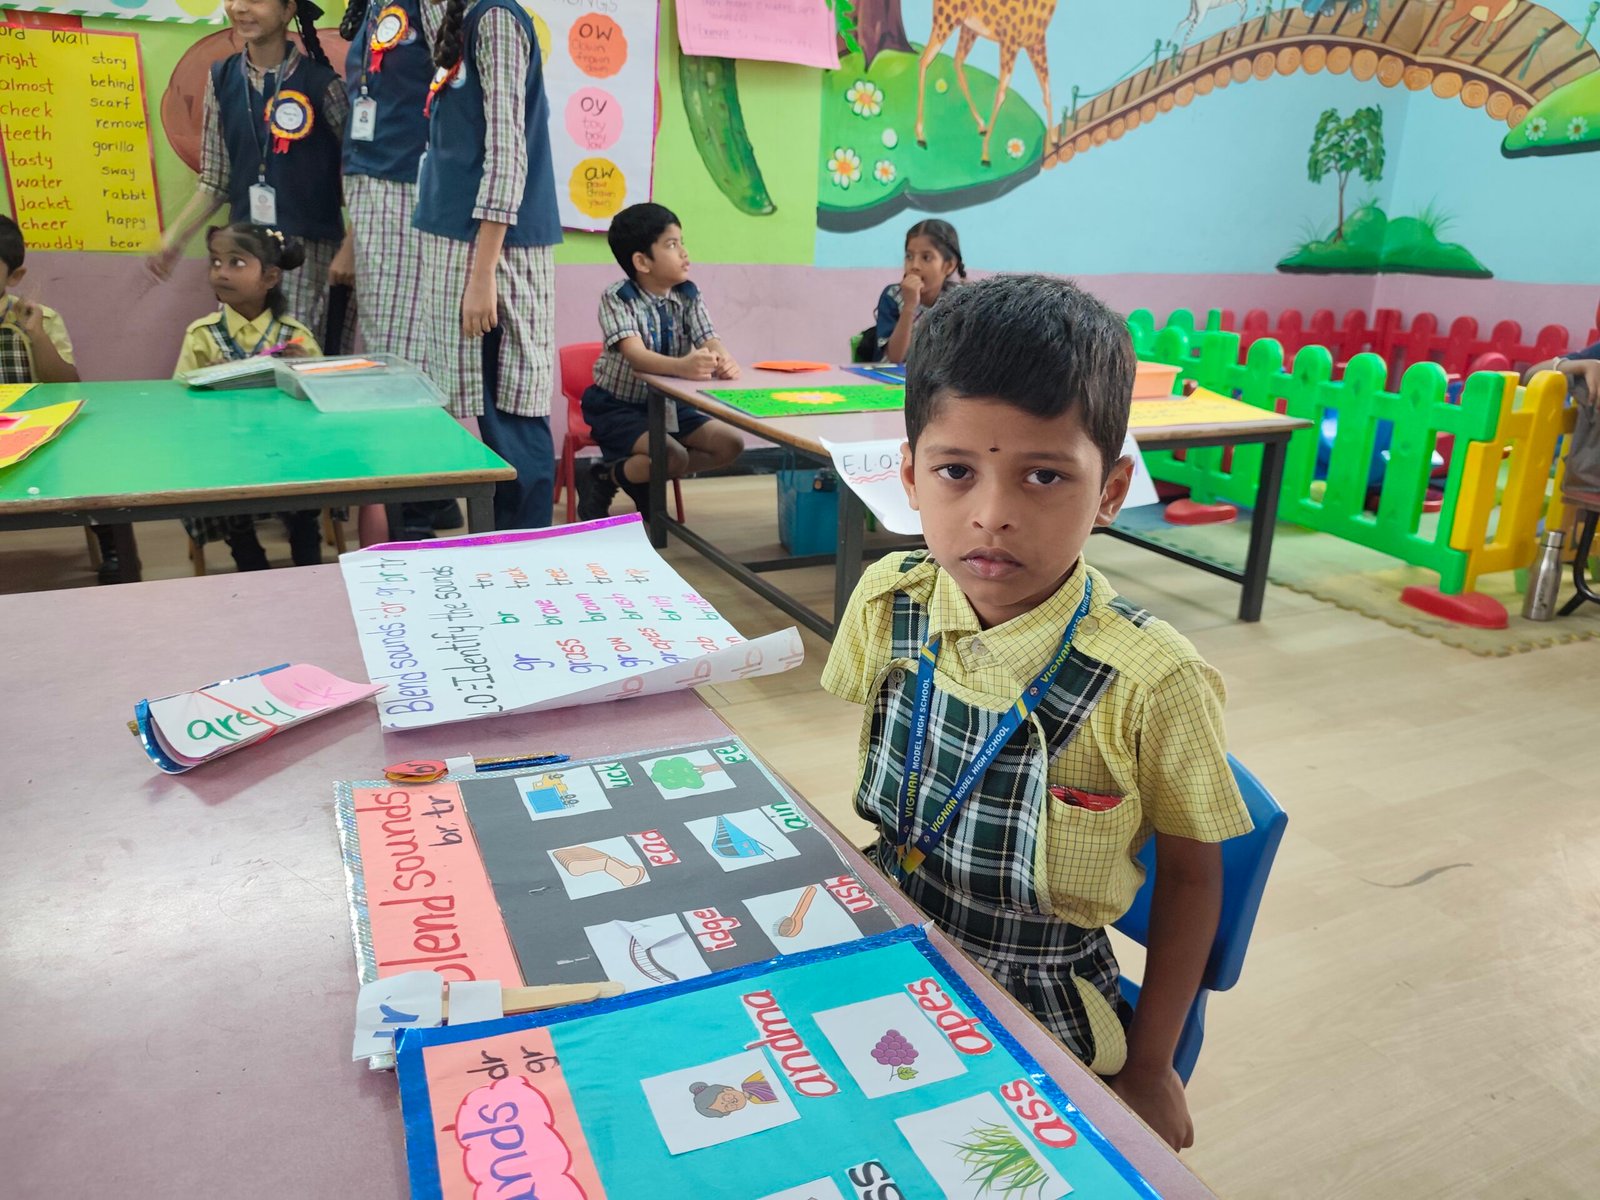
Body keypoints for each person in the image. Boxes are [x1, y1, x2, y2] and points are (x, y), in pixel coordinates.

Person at [822, 275, 1253, 1152]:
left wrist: (1152, 1065)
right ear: (908, 476)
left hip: (1038, 990)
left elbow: (1192, 879)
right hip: (890, 929)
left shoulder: (1154, 680)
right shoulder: (888, 600)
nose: (992, 517)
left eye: (1045, 476)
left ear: (1111, 490)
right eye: (955, 472)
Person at [412, 0, 562, 531]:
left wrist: (482, 279)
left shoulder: (495, 20)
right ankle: (498, 548)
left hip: (496, 254)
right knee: (487, 410)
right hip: (457, 243)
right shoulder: (453, 19)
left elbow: (506, 155)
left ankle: (527, 552)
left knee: (514, 413)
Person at [150, 0, 350, 346]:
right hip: (245, 253)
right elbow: (215, 179)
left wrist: (352, 246)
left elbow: (361, 172)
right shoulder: (221, 78)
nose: (240, 8)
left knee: (300, 357)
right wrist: (176, 237)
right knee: (245, 356)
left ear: (288, 10)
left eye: (256, 0)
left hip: (309, 254)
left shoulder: (322, 85)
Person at [335, 0, 453, 540]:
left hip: (411, 184)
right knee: (389, 347)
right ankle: (428, 497)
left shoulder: (430, 8)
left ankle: (417, 509)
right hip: (370, 185)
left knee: (406, 354)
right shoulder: (371, 9)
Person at [576, 202, 743, 521]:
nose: (684, 253)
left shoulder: (688, 294)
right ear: (642, 261)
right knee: (672, 455)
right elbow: (636, 356)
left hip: (668, 405)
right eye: (671, 245)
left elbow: (709, 337)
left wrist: (723, 358)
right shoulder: (618, 298)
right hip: (618, 407)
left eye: (682, 242)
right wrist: (684, 366)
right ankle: (603, 478)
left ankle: (635, 476)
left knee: (730, 445)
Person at [174, 223, 325, 571]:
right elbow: (179, 404)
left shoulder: (294, 336)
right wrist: (206, 381)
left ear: (270, 277)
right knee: (227, 494)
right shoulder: (202, 335)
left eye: (236, 263)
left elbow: (320, 400)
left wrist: (305, 370)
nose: (221, 273)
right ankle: (248, 557)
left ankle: (309, 562)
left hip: (287, 449)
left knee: (306, 498)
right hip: (228, 450)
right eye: (215, 262)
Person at [0, 215, 129, 583]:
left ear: (14, 276)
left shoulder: (37, 319)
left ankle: (113, 544)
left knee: (92, 456)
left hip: (35, 431)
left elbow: (68, 386)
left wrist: (37, 336)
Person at [870, 219, 967, 364]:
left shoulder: (959, 300)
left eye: (926, 258)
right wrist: (909, 307)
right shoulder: (893, 295)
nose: (914, 265)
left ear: (948, 266)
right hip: (896, 376)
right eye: (909, 256)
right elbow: (895, 358)